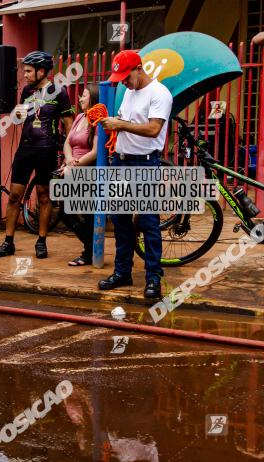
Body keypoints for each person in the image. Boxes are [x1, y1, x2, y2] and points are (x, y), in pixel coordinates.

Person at [101, 50, 173, 299]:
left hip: (144, 164)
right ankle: (123, 271)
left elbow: (154, 129)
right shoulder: (128, 93)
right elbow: (126, 121)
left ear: (138, 69)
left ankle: (153, 277)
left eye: (125, 75)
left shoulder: (160, 93)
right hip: (120, 162)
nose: (122, 81)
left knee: (148, 222)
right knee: (120, 220)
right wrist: (114, 122)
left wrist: (120, 124)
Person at [0, 51, 74, 260]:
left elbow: (69, 127)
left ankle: (41, 241)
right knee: (14, 196)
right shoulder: (27, 91)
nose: (25, 75)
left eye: (29, 71)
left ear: (42, 71)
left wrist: (67, 155)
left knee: (44, 195)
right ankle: (8, 242)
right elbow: (21, 119)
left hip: (47, 149)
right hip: (25, 148)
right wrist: (17, 116)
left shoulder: (59, 92)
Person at [60, 84, 100, 266]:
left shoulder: (97, 121)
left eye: (84, 96)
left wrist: (75, 165)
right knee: (66, 211)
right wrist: (69, 160)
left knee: (89, 214)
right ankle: (91, 248)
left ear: (93, 98)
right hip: (72, 168)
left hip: (87, 171)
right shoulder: (79, 118)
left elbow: (95, 151)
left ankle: (88, 252)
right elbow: (67, 143)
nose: (80, 99)